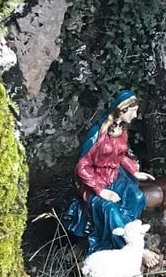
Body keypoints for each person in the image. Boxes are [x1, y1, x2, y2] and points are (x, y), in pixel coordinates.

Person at [64, 90, 158, 266]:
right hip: (97, 183)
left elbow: (120, 155)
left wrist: (134, 171)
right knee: (110, 209)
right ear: (122, 110)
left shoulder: (122, 131)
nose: (136, 115)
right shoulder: (98, 133)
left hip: (115, 178)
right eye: (133, 111)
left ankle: (130, 234)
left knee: (137, 197)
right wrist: (101, 192)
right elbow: (82, 167)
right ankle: (135, 249)